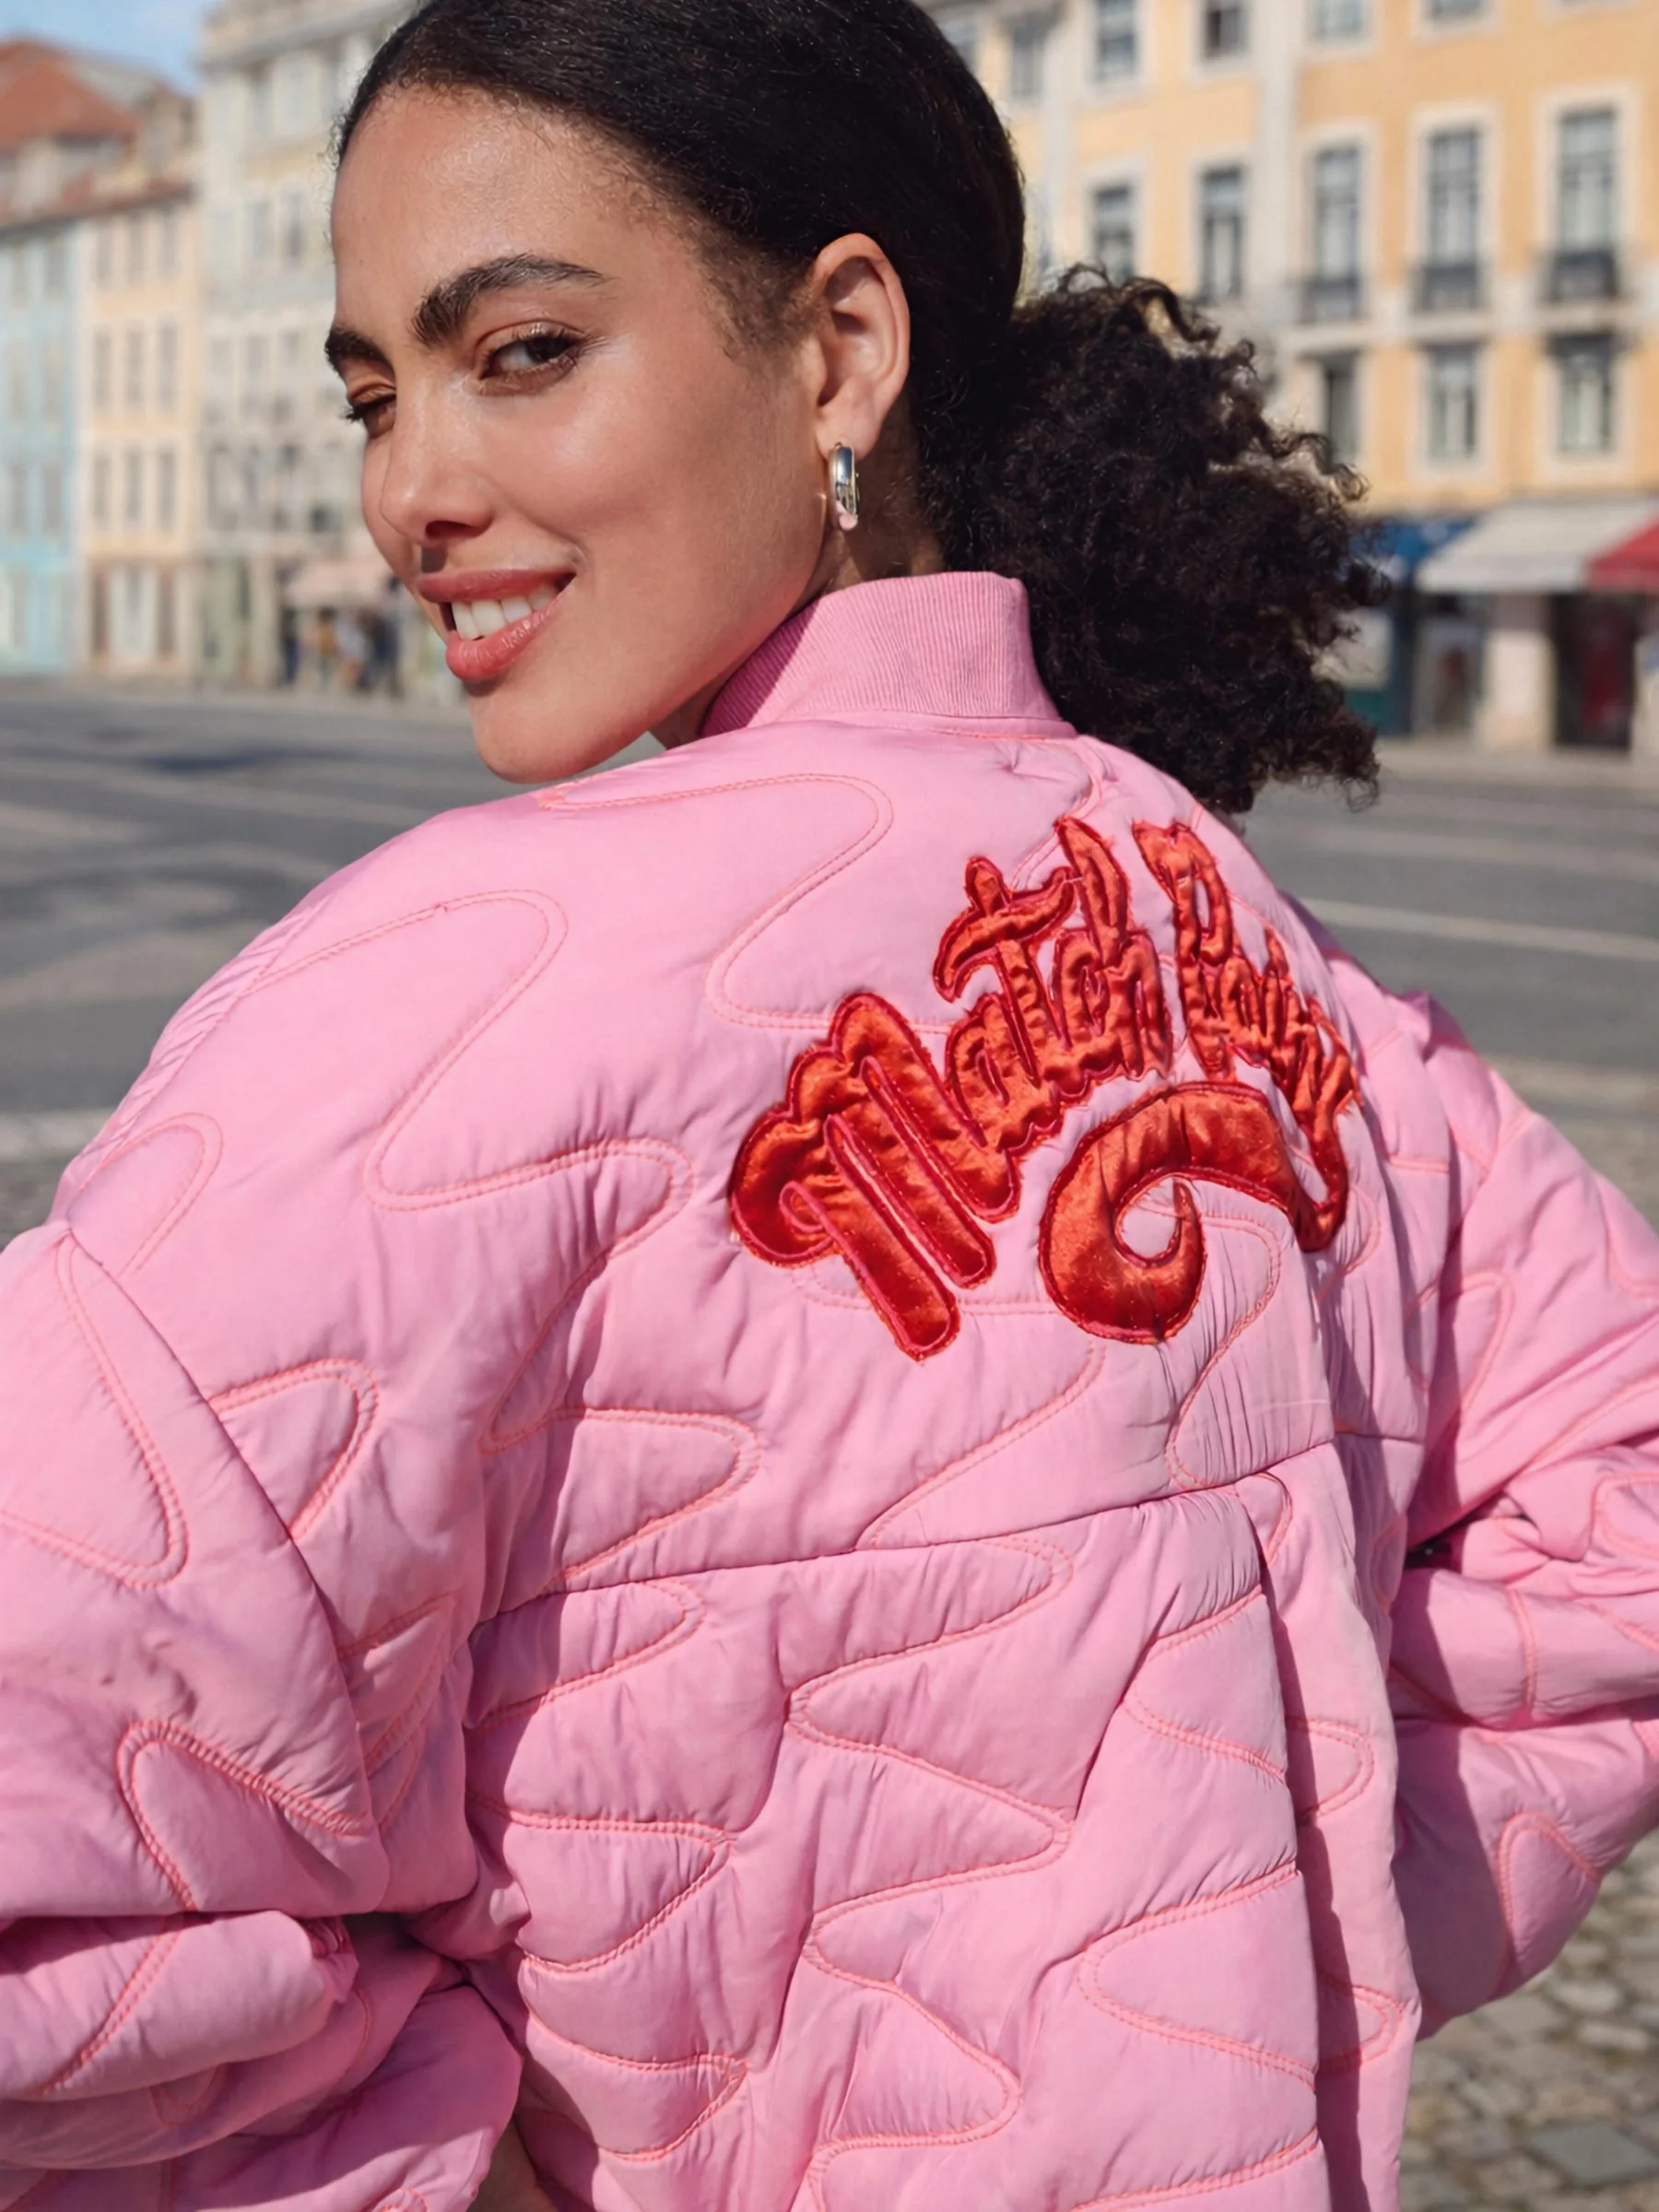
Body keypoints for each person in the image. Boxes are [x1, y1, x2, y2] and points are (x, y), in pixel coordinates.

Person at [3, 2, 1657, 2206]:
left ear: (841, 350)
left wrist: (448, 2148)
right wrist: (1282, 1934)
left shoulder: (423, 1001)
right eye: (376, 391)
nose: (410, 489)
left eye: (520, 353)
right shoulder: (1236, 920)